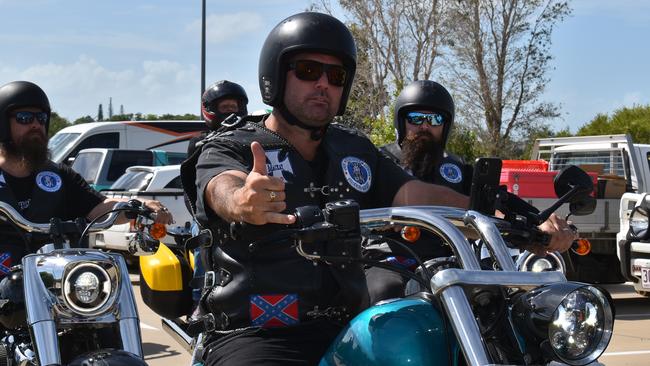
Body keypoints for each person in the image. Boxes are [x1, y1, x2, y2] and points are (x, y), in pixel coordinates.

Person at [184, 12, 575, 365]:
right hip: (257, 332)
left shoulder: (353, 150)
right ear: (276, 74)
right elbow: (221, 186)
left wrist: (510, 218)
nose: (322, 84)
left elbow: (415, 195)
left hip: (349, 325)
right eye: (307, 70)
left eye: (335, 76)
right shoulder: (231, 145)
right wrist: (242, 200)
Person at [0, 81, 173, 274]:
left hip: (53, 272)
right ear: (3, 124)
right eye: (24, 118)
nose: (35, 125)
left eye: (41, 118)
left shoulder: (58, 175)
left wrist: (138, 204)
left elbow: (99, 207)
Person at [187, 80, 248, 156]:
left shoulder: (249, 135)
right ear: (211, 109)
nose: (230, 110)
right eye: (224, 107)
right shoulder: (200, 142)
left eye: (233, 106)